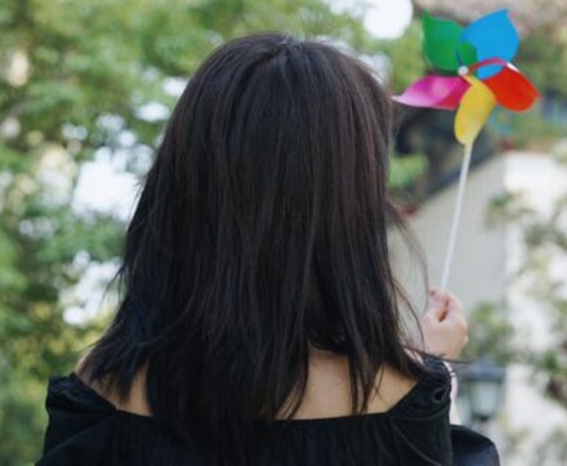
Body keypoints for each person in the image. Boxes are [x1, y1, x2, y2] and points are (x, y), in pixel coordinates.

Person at [37, 33, 495, 465]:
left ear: (179, 192)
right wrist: (429, 376)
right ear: (346, 213)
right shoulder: (397, 402)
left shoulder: (104, 392)